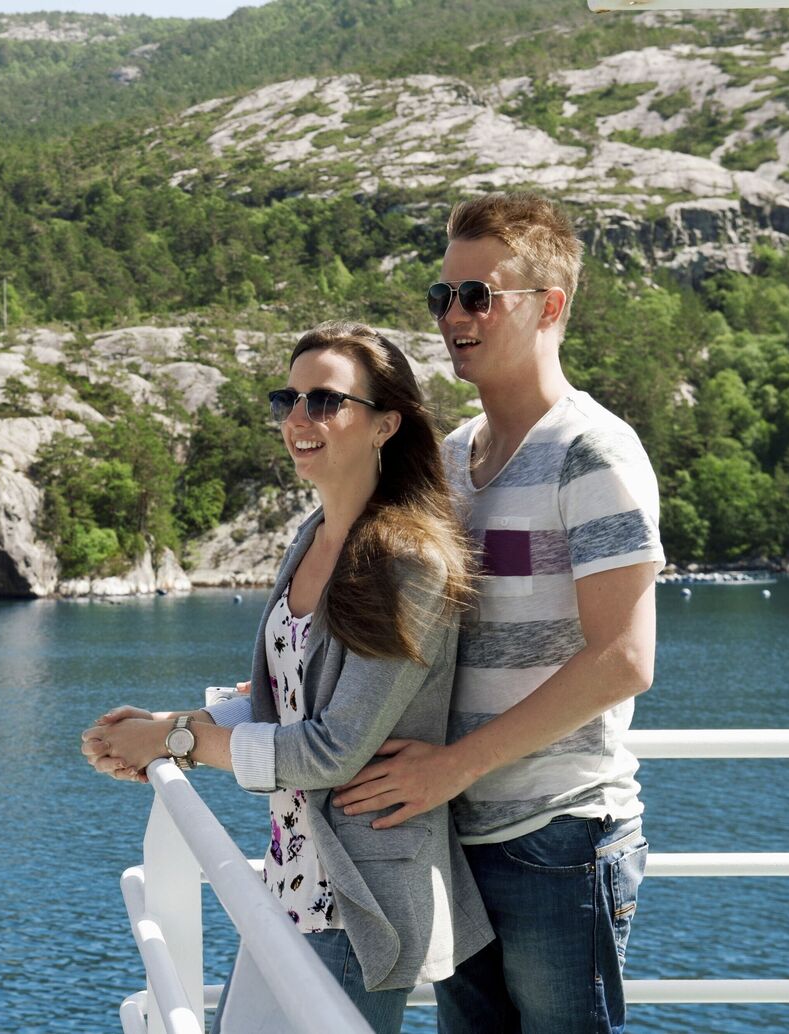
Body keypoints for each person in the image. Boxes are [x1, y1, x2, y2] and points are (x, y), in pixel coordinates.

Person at [81, 321, 492, 1034]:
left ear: (385, 424)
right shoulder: (311, 536)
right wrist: (165, 728)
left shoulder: (409, 563)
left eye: (326, 401)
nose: (299, 419)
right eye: (289, 400)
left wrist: (173, 741)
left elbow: (330, 750)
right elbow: (284, 703)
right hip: (290, 884)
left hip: (358, 902)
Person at [330, 193, 663, 1034]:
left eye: (479, 296)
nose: (453, 316)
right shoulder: (450, 459)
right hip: (453, 837)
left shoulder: (593, 453)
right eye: (443, 297)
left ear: (550, 306)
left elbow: (624, 659)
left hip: (557, 838)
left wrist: (451, 767)